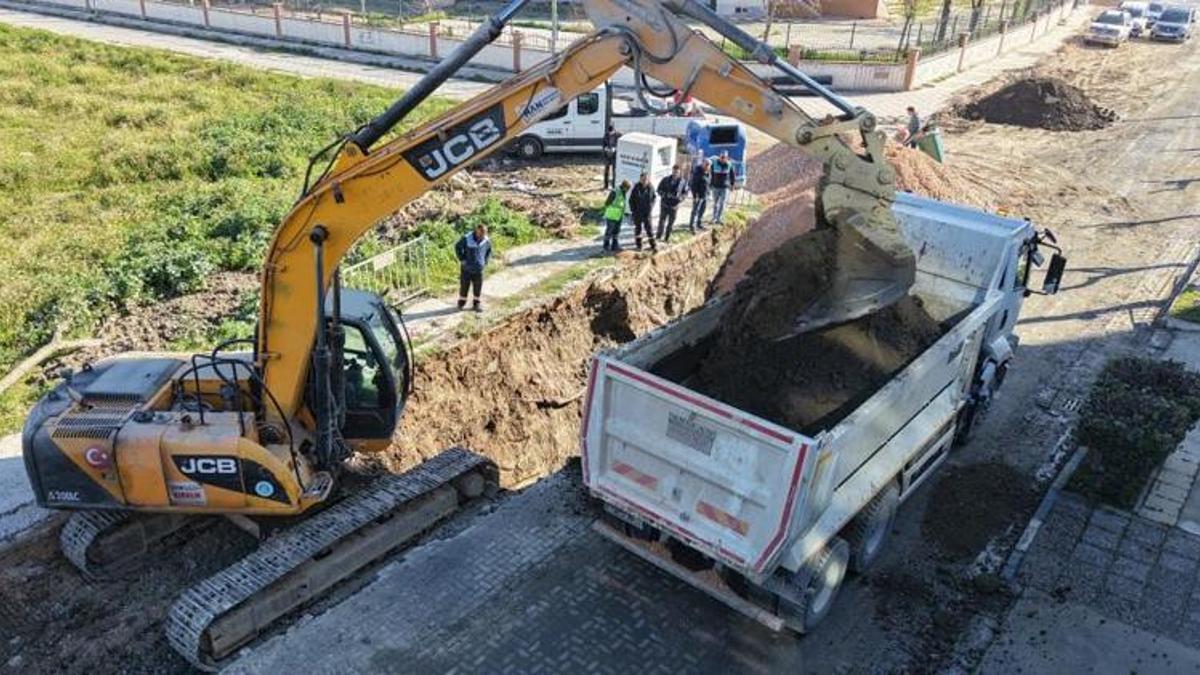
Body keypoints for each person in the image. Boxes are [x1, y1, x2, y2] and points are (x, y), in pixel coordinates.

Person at [454, 223, 492, 312]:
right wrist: (462, 259)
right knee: (464, 286)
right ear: (476, 231)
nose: (482, 236)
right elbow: (457, 247)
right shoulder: (467, 238)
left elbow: (489, 250)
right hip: (467, 268)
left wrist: (485, 261)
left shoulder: (486, 240)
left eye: (484, 234)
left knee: (478, 286)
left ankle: (476, 304)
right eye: (481, 234)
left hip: (479, 269)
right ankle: (461, 302)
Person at [655, 165, 688, 243]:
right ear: (672, 171)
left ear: (679, 172)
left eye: (677, 172)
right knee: (661, 222)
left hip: (674, 206)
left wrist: (681, 198)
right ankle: (658, 237)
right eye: (674, 171)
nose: (675, 173)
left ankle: (667, 238)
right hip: (665, 204)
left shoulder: (683, 182)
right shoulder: (665, 179)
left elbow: (685, 193)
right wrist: (664, 195)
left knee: (670, 223)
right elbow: (659, 189)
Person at [629, 172, 657, 252]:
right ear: (640, 179)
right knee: (638, 229)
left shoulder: (650, 187)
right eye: (643, 179)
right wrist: (633, 211)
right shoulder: (636, 188)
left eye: (646, 179)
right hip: (638, 213)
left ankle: (653, 245)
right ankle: (639, 245)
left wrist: (651, 206)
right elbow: (631, 200)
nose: (645, 180)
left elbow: (654, 198)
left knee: (649, 229)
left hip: (647, 213)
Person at [602, 179, 630, 252]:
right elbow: (607, 203)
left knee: (616, 231)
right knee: (609, 231)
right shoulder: (615, 191)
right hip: (612, 215)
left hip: (619, 215)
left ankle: (615, 245)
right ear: (624, 187)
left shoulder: (623, 192)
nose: (627, 190)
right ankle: (606, 245)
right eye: (627, 189)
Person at [709, 151, 732, 225]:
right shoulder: (714, 164)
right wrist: (711, 184)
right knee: (715, 203)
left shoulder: (729, 165)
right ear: (719, 157)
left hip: (724, 187)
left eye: (724, 157)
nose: (722, 159)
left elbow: (732, 175)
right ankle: (714, 218)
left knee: (722, 203)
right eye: (721, 157)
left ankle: (719, 218)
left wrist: (732, 184)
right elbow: (711, 175)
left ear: (726, 158)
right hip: (715, 186)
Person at [688, 159, 710, 233]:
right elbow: (693, 185)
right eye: (706, 164)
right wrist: (695, 195)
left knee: (702, 210)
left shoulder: (707, 173)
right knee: (695, 211)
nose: (707, 166)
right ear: (703, 164)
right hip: (698, 196)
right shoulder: (697, 172)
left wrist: (708, 192)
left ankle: (699, 223)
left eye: (708, 165)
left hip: (705, 195)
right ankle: (692, 226)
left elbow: (707, 183)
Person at [602, 125, 620, 190]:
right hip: (607, 156)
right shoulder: (606, 135)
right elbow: (603, 144)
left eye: (611, 133)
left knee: (614, 172)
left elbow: (621, 145)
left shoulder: (619, 135)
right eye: (609, 133)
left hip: (614, 156)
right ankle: (606, 185)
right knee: (606, 171)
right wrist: (605, 148)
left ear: (614, 131)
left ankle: (613, 186)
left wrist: (615, 149)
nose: (610, 134)